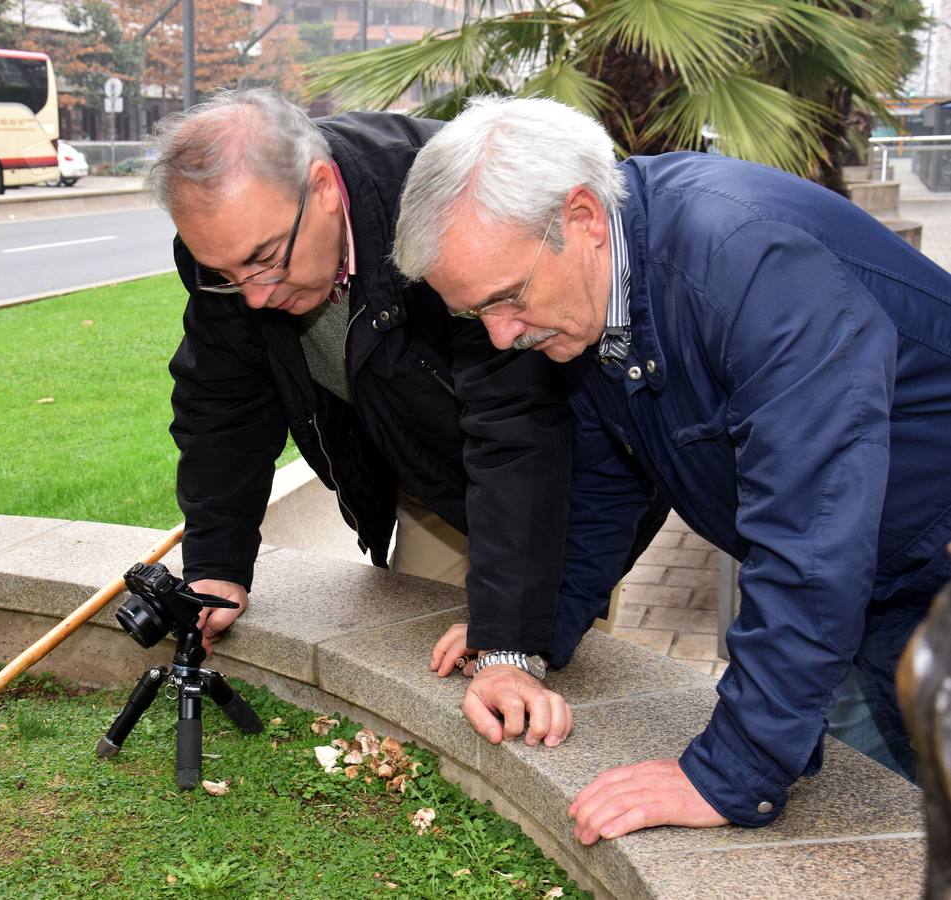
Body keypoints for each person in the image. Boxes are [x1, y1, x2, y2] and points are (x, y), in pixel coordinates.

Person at [398, 96, 951, 841]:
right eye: (475, 316)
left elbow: (810, 535)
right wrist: (528, 635)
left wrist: (730, 771)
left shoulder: (749, 264)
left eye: (507, 297)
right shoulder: (598, 295)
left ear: (584, 219)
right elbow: (605, 483)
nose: (500, 337)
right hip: (878, 580)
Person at [148, 89, 574, 745]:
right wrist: (216, 566)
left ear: (321, 187)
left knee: (541, 662)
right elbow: (222, 403)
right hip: (425, 473)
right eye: (226, 274)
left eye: (265, 260)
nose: (254, 296)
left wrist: (513, 642)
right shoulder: (231, 254)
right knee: (429, 671)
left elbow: (519, 430)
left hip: (558, 477)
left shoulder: (450, 207)